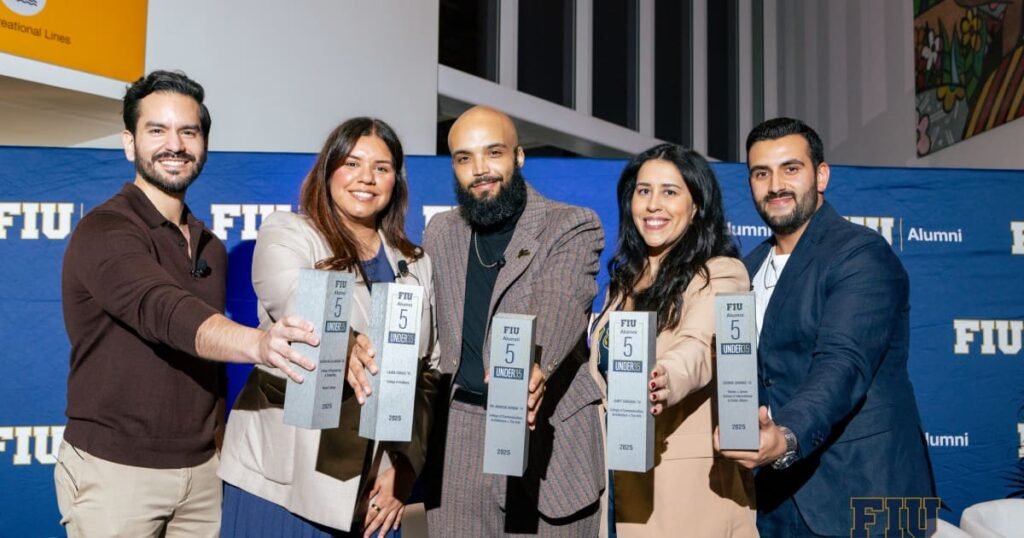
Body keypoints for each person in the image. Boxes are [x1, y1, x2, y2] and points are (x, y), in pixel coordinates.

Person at [56, 70, 318, 538]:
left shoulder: (210, 247)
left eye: (188, 132)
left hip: (203, 475)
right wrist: (260, 345)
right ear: (129, 143)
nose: (174, 145)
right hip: (116, 473)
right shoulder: (104, 230)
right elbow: (163, 310)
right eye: (157, 130)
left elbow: (206, 366)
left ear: (204, 145)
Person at [349, 105, 605, 535]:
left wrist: (534, 365)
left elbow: (561, 299)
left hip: (546, 438)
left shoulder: (570, 225)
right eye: (464, 158)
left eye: (494, 153)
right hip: (459, 442)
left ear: (518, 157)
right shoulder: (441, 231)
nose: (480, 169)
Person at [218, 117, 439, 538]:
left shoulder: (416, 263)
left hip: (374, 493)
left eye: (381, 167)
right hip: (285, 484)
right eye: (352, 163)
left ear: (396, 180)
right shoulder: (289, 232)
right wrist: (347, 343)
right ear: (328, 169)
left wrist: (405, 464)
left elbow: (428, 370)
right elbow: (292, 298)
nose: (366, 178)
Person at [715, 117, 935, 537]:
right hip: (775, 499)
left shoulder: (860, 254)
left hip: (865, 494)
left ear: (821, 176)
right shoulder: (746, 269)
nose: (775, 185)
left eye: (790, 169)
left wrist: (785, 436)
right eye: (761, 173)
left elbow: (843, 364)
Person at [589, 144, 757, 537]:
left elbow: (699, 348)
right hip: (616, 482)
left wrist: (664, 377)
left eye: (669, 191)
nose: (653, 204)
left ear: (696, 206)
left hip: (686, 494)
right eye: (643, 191)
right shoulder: (622, 284)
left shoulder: (721, 274)